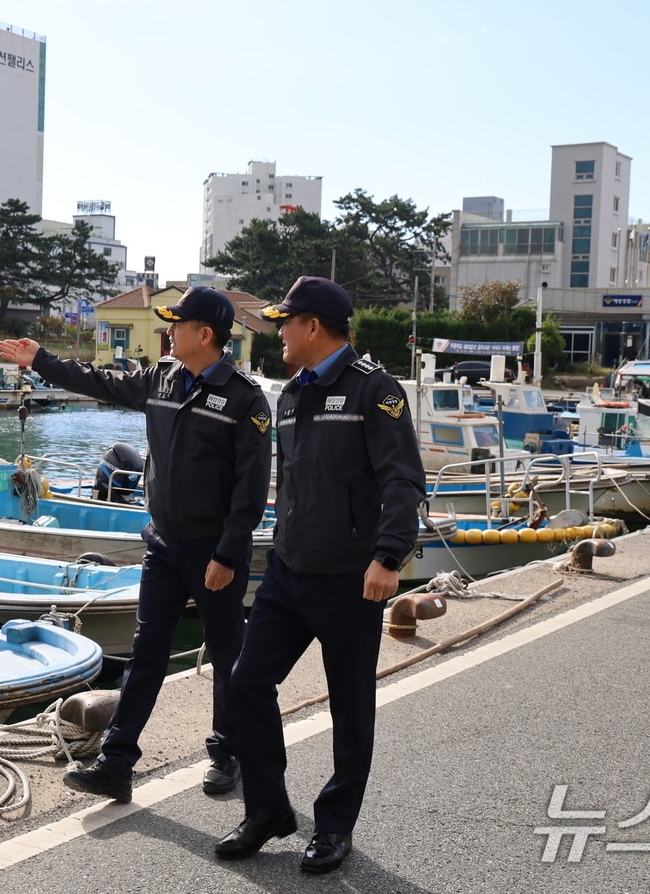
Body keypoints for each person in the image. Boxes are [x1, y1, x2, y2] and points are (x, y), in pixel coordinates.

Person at [0, 286, 272, 803]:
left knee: (226, 653)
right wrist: (43, 362)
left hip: (213, 550)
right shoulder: (160, 378)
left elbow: (250, 489)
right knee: (146, 653)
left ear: (205, 334)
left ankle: (228, 753)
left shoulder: (245, 399)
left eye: (177, 323)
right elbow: (99, 381)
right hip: (164, 545)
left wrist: (227, 554)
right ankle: (116, 763)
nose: (169, 330)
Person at [214, 276, 425, 874]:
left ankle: (334, 827)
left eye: (286, 322)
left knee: (350, 709)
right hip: (288, 570)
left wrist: (388, 557)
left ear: (313, 326)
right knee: (246, 682)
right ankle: (268, 809)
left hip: (350, 579)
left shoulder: (373, 391)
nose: (279, 332)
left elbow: (402, 479)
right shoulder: (289, 395)